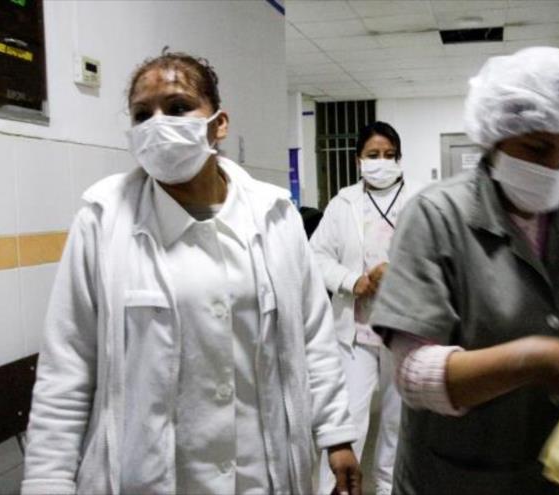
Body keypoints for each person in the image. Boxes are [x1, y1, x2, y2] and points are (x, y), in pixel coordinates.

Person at [20, 52, 361, 495]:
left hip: (262, 471)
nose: (158, 123)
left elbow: (312, 335)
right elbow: (67, 368)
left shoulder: (275, 216)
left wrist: (335, 434)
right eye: (143, 114)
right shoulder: (102, 221)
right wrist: (47, 482)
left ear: (219, 124)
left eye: (178, 107)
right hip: (150, 476)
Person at [370, 47, 559, 494]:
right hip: (462, 478)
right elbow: (414, 375)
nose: (554, 166)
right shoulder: (436, 216)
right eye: (537, 148)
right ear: (496, 137)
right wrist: (537, 358)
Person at [310, 121, 419, 495]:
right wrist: (353, 280)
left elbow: (434, 260)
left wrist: (399, 275)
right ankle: (336, 489)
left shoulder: (418, 202)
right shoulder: (344, 203)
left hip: (403, 330)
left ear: (400, 159)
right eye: (373, 155)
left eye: (389, 155)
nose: (381, 162)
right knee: (349, 420)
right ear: (359, 160)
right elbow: (316, 256)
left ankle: (392, 488)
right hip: (356, 329)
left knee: (397, 425)